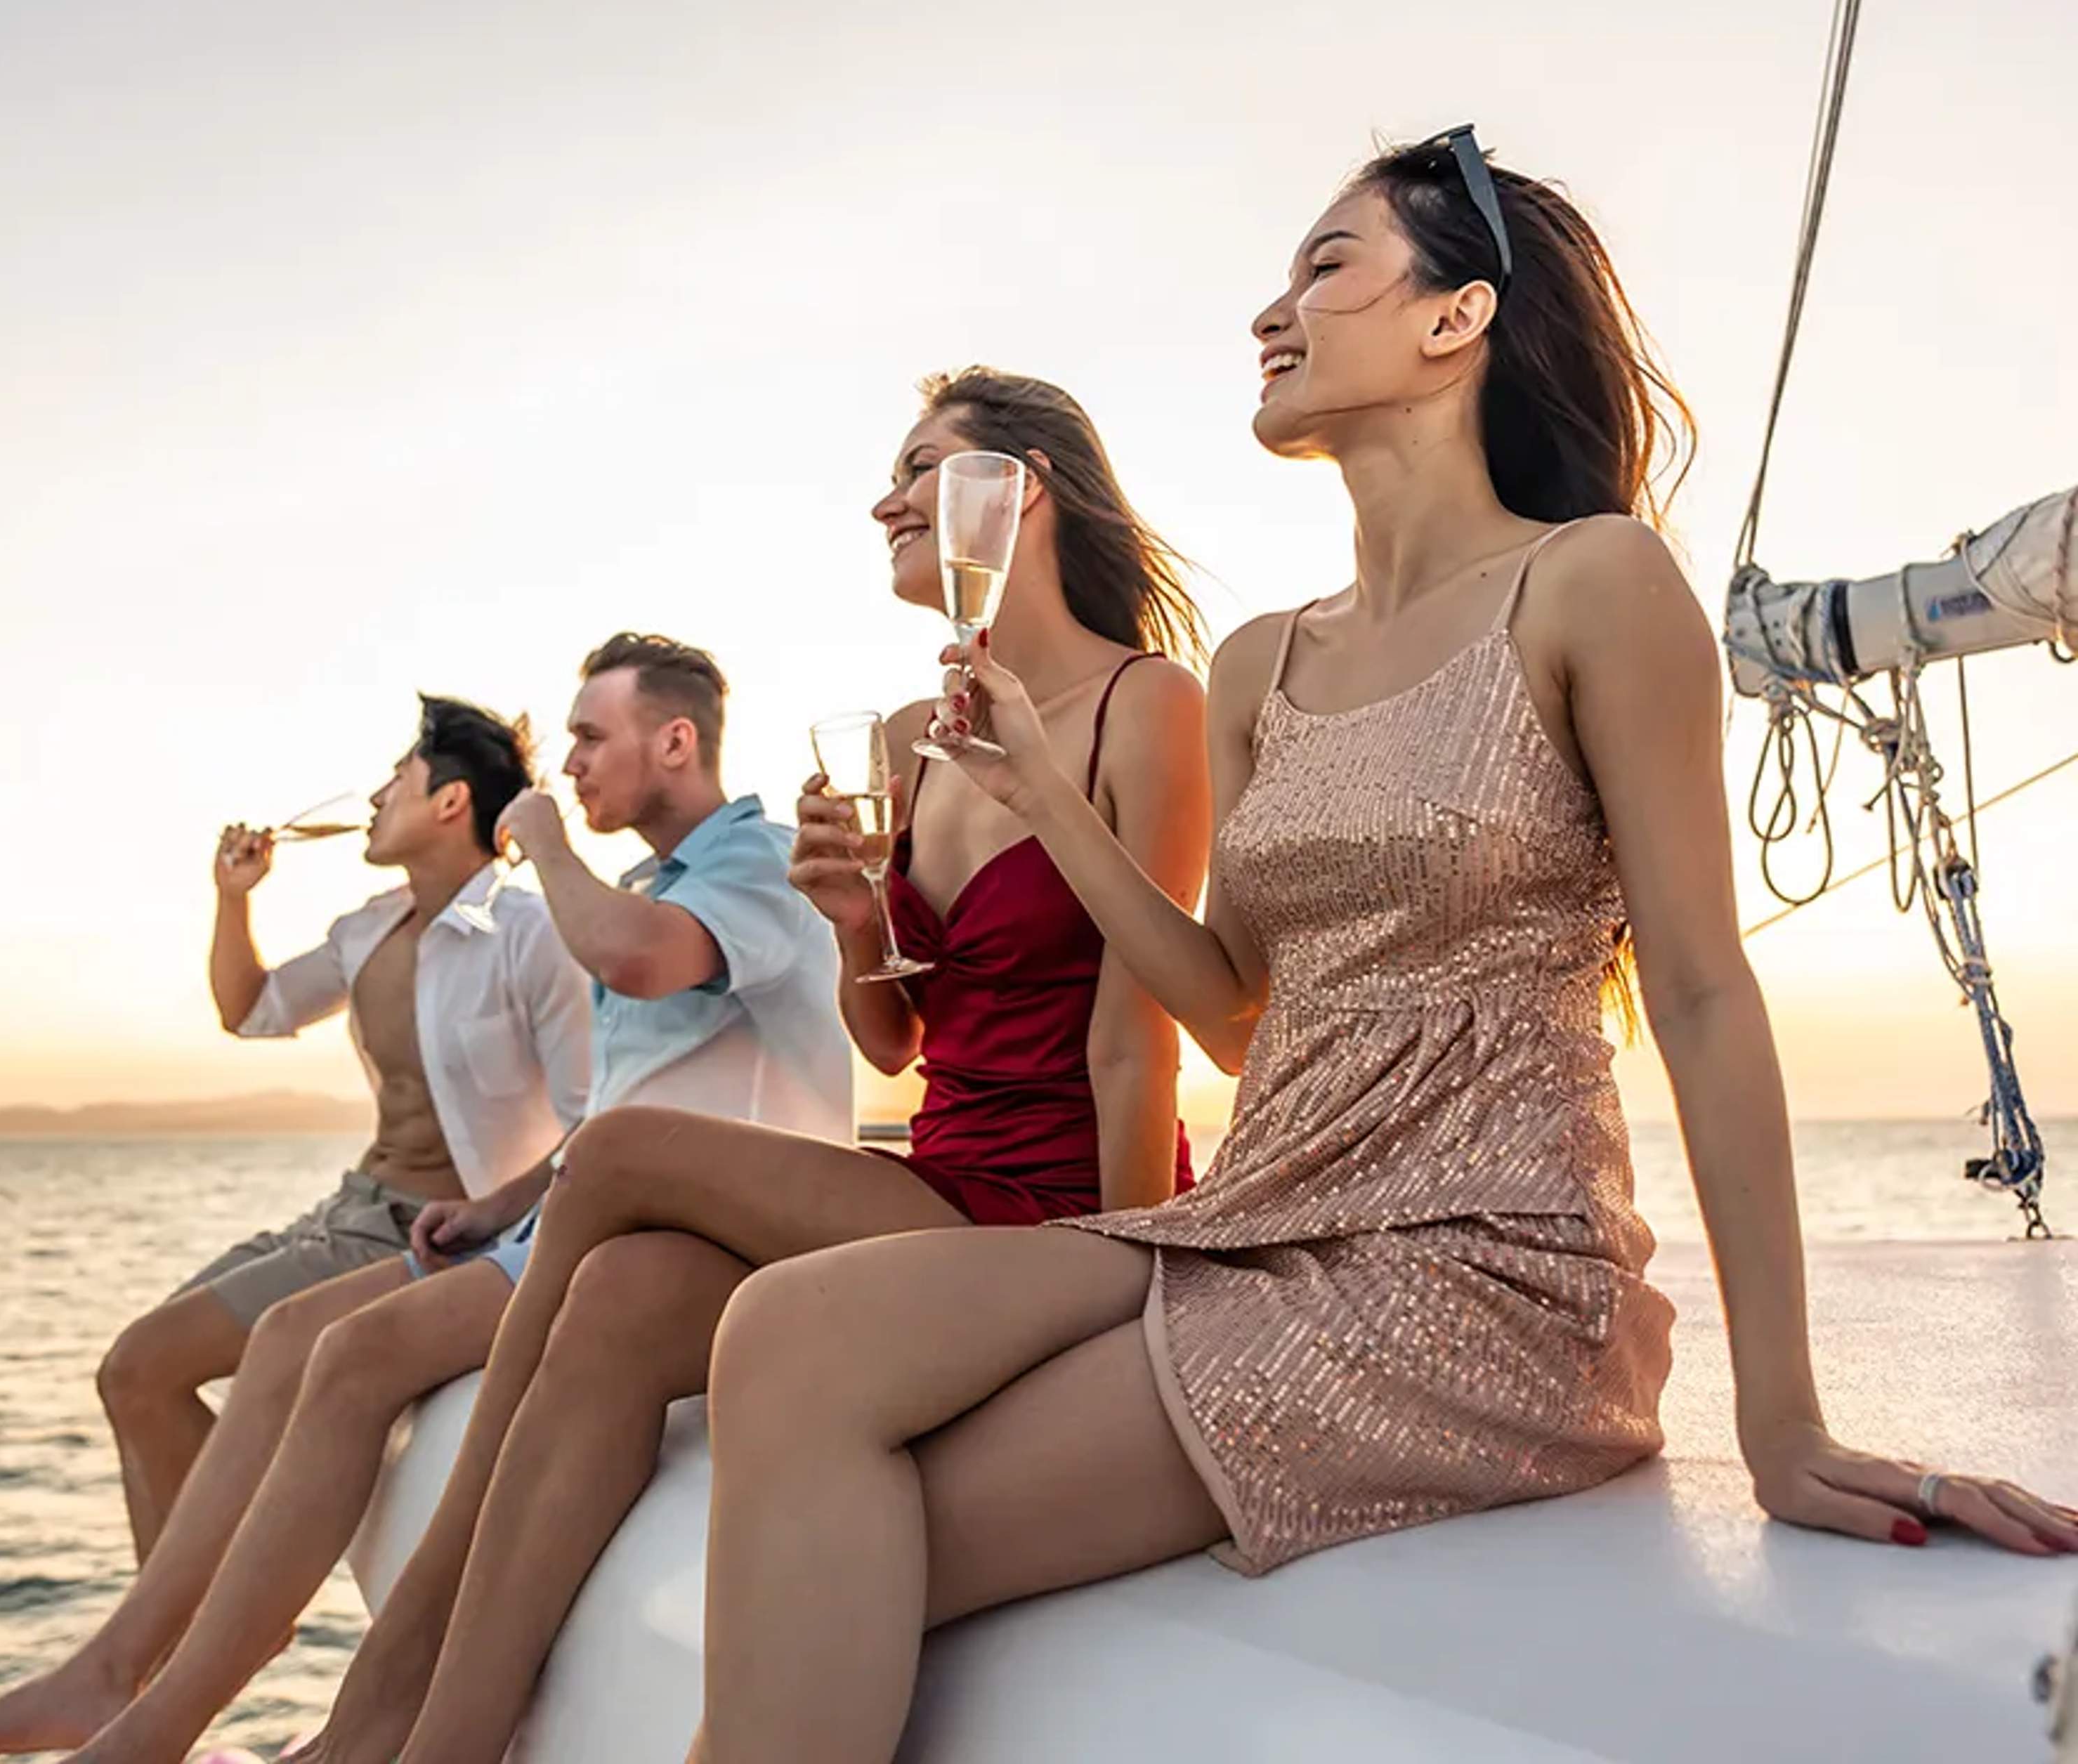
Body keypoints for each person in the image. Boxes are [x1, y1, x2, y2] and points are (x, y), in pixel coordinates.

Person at [688, 132, 2078, 1764]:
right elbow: (1225, 1012)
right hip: (1263, 1208)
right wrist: (1050, 802)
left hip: (1480, 1263)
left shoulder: (1590, 584)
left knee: (883, 1515)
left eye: (1324, 266)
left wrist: (1780, 1416)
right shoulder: (1264, 660)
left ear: (1455, 316)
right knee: (781, 1330)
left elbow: (1699, 990)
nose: (1272, 314)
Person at [292, 369, 1215, 1764]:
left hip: (1061, 1205)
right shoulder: (918, 736)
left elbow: (1133, 1043)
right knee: (619, 1291)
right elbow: (901, 1040)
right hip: (947, 1170)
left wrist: (1125, 1285)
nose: (884, 498)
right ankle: (441, 1738)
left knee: (616, 1152)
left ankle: (379, 1706)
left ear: (1016, 490)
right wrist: (856, 925)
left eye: (923, 466)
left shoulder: (1146, 706)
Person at [0, 632, 854, 1760]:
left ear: (677, 740)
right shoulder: (630, 887)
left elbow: (637, 970)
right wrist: (507, 1205)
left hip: (685, 1239)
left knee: (347, 1357)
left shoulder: (745, 862)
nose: (576, 764)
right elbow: (606, 1108)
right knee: (292, 1342)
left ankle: (166, 1715)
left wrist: (544, 846)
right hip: (559, 1217)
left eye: (593, 738)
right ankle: (141, 1682)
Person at [96, 695, 586, 1564]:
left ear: (450, 802)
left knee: (142, 1364)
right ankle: (198, 1606)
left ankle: (168, 1636)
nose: (372, 801)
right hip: (352, 1207)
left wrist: (507, 1215)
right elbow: (249, 1010)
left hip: (438, 1232)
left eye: (396, 780)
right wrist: (231, 899)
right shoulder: (368, 930)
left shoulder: (530, 932)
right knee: (135, 1374)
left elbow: (595, 1115)